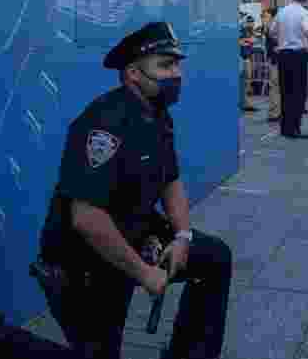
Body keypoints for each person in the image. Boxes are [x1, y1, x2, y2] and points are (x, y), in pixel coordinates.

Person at [33, 22, 233, 359]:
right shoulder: (104, 124)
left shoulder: (158, 115)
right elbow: (86, 219)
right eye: (165, 66)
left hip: (134, 232)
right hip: (84, 259)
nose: (176, 74)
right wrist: (144, 274)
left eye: (177, 64)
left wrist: (182, 237)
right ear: (133, 74)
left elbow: (170, 181)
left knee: (214, 258)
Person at [272, 0, 308, 139]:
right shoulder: (304, 13)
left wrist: (282, 42)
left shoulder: (282, 12)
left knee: (285, 92)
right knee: (298, 93)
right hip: (298, 56)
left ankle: (285, 128)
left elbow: (272, 32)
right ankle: (295, 129)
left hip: (283, 55)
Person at [264, 7, 281, 123]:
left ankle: (276, 112)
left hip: (276, 59)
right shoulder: (272, 26)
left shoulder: (273, 26)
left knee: (277, 86)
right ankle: (274, 113)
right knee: (275, 86)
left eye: (266, 15)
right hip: (275, 60)